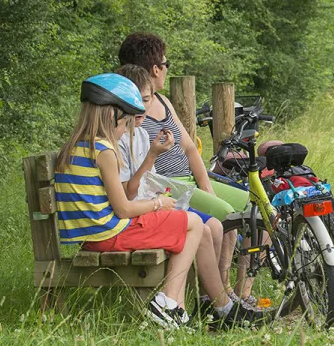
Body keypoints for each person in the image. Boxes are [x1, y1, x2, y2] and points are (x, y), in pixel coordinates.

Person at [55, 73, 263, 329]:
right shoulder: (104, 151)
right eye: (124, 124)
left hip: (93, 235)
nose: (123, 132)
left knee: (190, 224)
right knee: (193, 223)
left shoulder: (74, 147)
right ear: (112, 116)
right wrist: (157, 205)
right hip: (109, 234)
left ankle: (190, 308)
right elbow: (123, 208)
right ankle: (169, 303)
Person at [117, 33, 256, 309]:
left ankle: (243, 291)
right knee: (226, 215)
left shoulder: (164, 102)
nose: (167, 69)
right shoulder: (132, 113)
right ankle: (221, 293)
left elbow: (191, 149)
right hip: (168, 185)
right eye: (166, 63)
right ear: (155, 69)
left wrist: (207, 186)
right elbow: (139, 178)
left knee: (253, 206)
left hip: (190, 179)